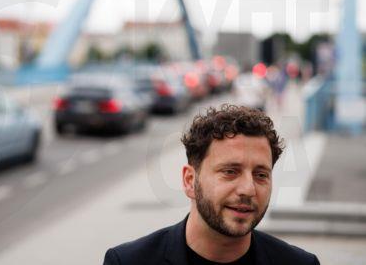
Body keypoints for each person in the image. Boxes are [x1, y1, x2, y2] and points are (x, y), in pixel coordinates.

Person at [103, 104, 319, 265]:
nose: (248, 189)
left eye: (261, 175)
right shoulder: (127, 262)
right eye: (230, 172)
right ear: (190, 181)